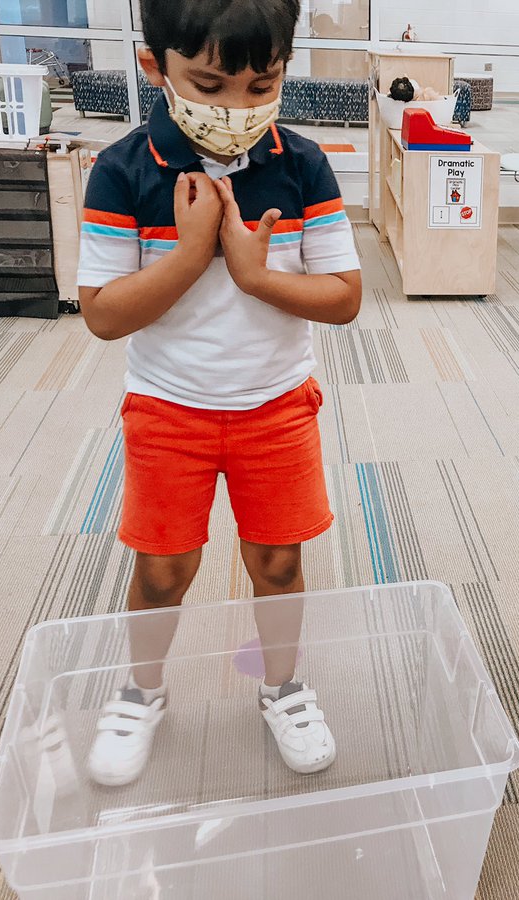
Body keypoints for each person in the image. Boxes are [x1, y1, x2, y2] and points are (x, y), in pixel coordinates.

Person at [76, 0, 361, 786]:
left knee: (277, 561)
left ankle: (284, 687)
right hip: (169, 409)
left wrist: (254, 275)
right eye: (209, 82)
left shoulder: (301, 163)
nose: (236, 108)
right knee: (164, 567)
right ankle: (141, 691)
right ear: (154, 67)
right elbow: (102, 314)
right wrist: (191, 253)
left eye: (260, 82)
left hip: (276, 406)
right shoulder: (123, 169)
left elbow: (344, 296)